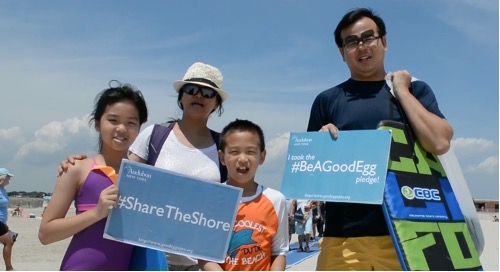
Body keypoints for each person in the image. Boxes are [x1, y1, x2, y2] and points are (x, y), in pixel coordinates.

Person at [307, 8, 453, 271]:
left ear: (383, 42)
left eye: (368, 37)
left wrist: (401, 91)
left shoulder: (415, 90)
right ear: (342, 53)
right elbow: (310, 179)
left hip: (409, 234)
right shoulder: (326, 100)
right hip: (343, 238)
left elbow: (440, 142)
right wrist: (319, 148)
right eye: (351, 41)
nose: (361, 46)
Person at [58, 62, 230, 271]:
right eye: (191, 89)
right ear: (181, 96)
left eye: (208, 92)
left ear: (216, 103)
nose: (199, 96)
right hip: (152, 259)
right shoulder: (154, 135)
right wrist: (80, 163)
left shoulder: (224, 147)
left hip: (202, 263)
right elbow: (119, 174)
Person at [38, 81, 148, 270]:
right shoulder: (76, 168)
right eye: (113, 120)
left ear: (139, 128)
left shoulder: (145, 176)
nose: (122, 128)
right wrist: (97, 213)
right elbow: (46, 234)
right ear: (97, 124)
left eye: (131, 122)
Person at [198, 119, 288, 271]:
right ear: (222, 157)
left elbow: (279, 251)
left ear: (262, 156)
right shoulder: (211, 199)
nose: (243, 159)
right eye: (234, 152)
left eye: (251, 152)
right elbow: (204, 255)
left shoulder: (276, 200)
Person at [0, 168, 16, 271]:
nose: (9, 180)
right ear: (3, 177)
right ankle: (9, 268)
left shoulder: (3, 190)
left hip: (1, 222)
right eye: (8, 177)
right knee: (8, 241)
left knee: (10, 240)